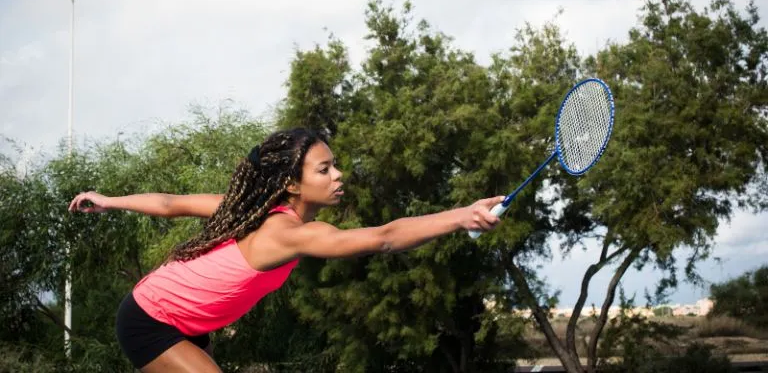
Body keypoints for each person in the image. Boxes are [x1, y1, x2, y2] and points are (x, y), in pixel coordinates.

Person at [68, 127, 504, 373]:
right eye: (325, 168)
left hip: (191, 323)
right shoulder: (284, 231)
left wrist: (109, 200)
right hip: (150, 320)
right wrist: (460, 216)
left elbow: (171, 204)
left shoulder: (255, 210)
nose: (339, 174)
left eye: (335, 164)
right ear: (292, 183)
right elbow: (384, 237)